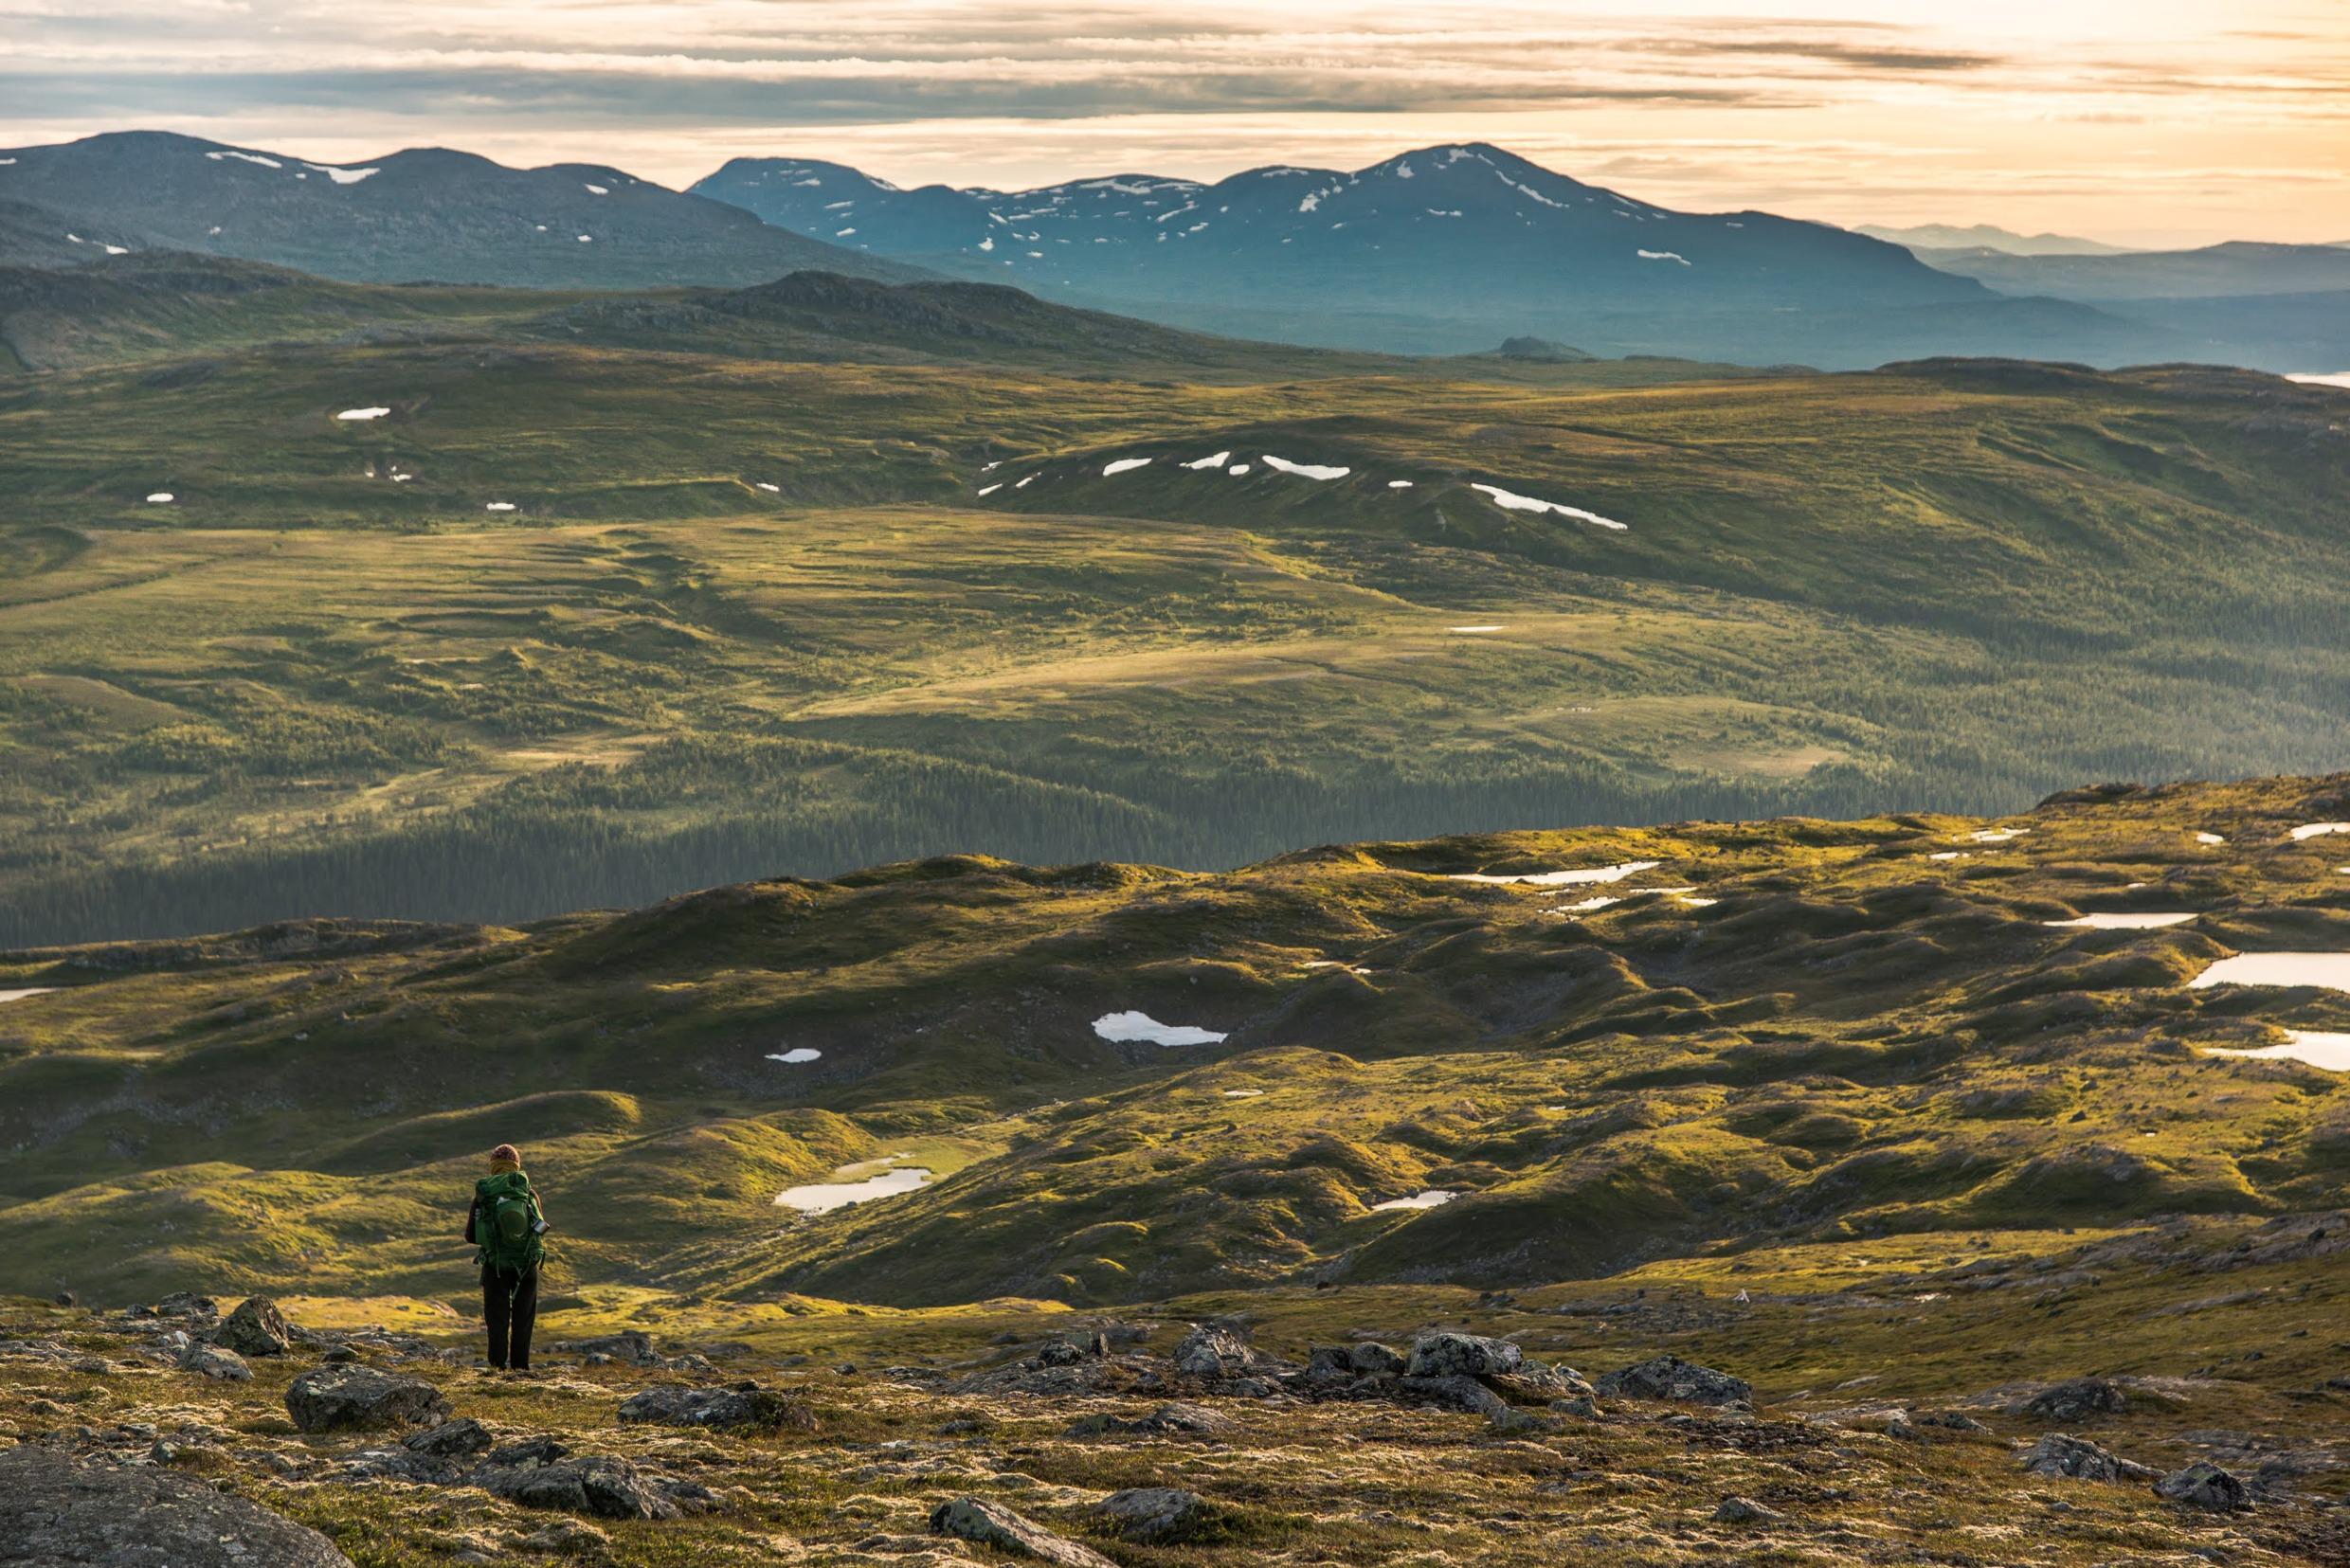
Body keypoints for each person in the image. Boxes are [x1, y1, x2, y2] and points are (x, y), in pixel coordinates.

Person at [465, 1143, 550, 1372]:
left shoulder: (484, 1195)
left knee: (497, 1318)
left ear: (493, 1165)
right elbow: (539, 1230)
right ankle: (521, 1368)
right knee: (523, 1318)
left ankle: (497, 1366)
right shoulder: (528, 1193)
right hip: (526, 1264)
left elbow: (470, 1236)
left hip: (496, 1265)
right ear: (516, 1165)